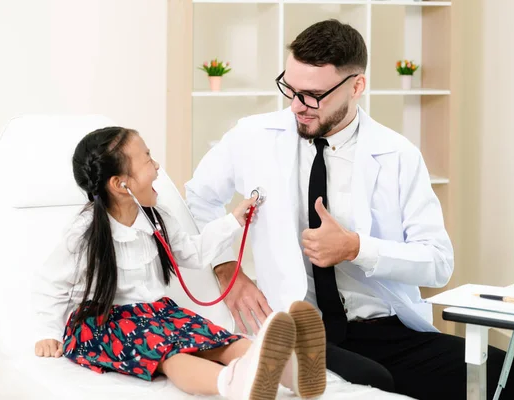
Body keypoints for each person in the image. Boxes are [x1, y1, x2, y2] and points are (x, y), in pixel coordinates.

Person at [185, 19, 514, 400]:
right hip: (304, 329)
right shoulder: (252, 137)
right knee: (375, 383)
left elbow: (438, 263)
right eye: (290, 89)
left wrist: (357, 248)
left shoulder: (398, 154)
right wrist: (228, 270)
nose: (296, 106)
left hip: (386, 329)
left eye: (313, 95)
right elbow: (198, 198)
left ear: (357, 86)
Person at [31, 127, 327, 400]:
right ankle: (233, 382)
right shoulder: (84, 234)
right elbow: (51, 284)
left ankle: (294, 373)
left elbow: (193, 253)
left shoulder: (156, 217)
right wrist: (48, 332)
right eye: (147, 159)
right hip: (107, 323)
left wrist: (232, 222)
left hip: (159, 313)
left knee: (217, 339)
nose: (157, 166)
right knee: (169, 354)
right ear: (121, 184)